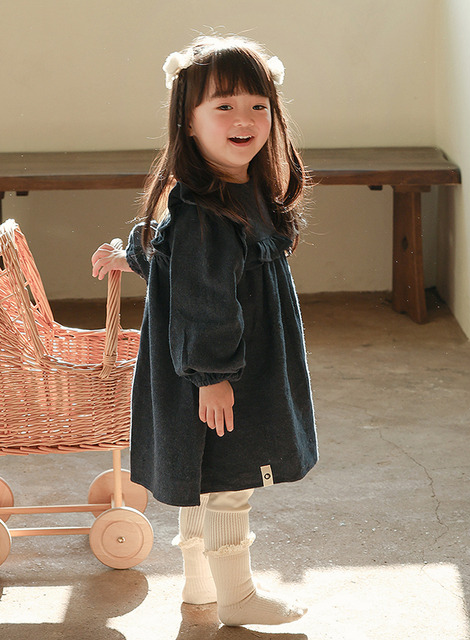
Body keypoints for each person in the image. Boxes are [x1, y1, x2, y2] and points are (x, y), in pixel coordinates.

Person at [91, 35, 317, 627]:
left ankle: (199, 589)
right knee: (229, 478)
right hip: (220, 369)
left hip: (212, 365)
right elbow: (204, 302)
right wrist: (212, 376)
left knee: (203, 474)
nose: (244, 119)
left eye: (258, 105)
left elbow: (177, 267)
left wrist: (131, 258)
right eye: (223, 106)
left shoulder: (239, 192)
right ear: (188, 121)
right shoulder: (205, 210)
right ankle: (236, 595)